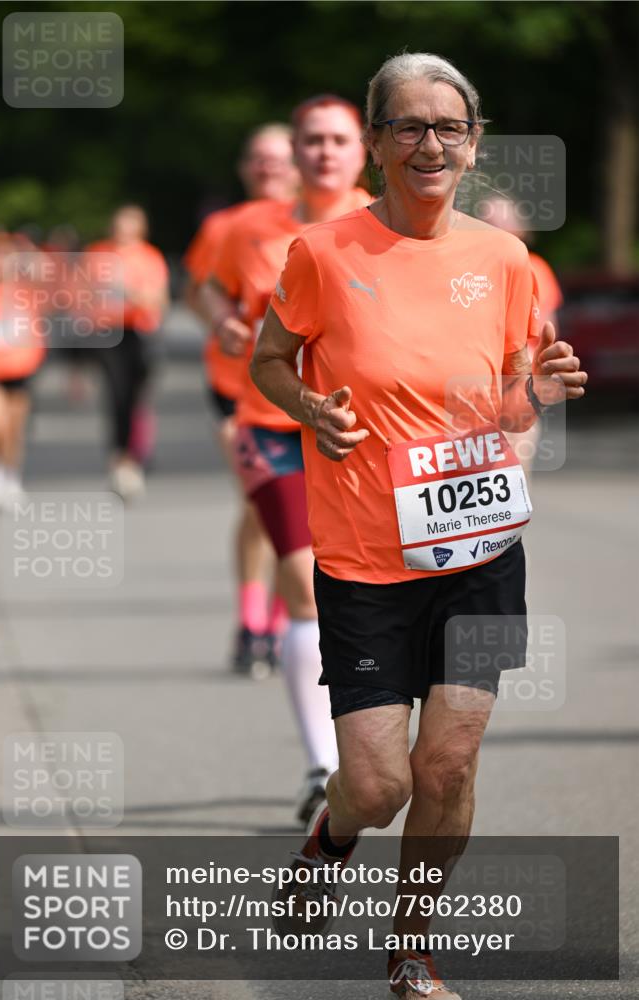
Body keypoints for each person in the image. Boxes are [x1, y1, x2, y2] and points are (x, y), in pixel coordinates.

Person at [250, 54, 587, 997]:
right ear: (377, 143)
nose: (429, 143)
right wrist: (309, 411)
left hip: (479, 550)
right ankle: (331, 836)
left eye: (448, 127)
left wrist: (540, 393)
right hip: (363, 561)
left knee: (447, 763)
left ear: (472, 143)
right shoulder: (323, 252)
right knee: (382, 784)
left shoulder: (504, 258)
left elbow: (512, 406)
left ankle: (410, 946)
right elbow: (269, 360)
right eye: (408, 126)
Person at [207, 95, 371, 825]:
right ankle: (322, 766)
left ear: (362, 148)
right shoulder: (245, 227)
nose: (324, 152)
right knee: (303, 587)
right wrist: (221, 318)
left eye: (338, 139)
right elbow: (205, 289)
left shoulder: (390, 221)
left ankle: (375, 744)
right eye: (312, 140)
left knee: (368, 592)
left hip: (363, 432)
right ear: (295, 153)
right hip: (270, 423)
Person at [184, 124, 299, 677]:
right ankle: (254, 621)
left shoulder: (337, 222)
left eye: (277, 158)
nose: (267, 167)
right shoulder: (225, 227)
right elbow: (201, 291)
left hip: (307, 394)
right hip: (236, 389)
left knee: (301, 516)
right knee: (262, 505)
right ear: (242, 167)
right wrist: (223, 321)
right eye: (257, 158)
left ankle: (283, 620)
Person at [84, 205, 169, 500]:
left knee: (138, 396)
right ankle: (119, 460)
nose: (123, 231)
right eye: (119, 224)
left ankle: (135, 457)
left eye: (130, 225)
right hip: (107, 333)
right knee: (115, 397)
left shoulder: (149, 257)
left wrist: (128, 293)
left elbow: (158, 299)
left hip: (140, 333)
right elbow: (85, 295)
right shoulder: (98, 254)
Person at [482, 195, 564, 474]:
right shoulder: (469, 271)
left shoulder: (536, 268)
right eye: (485, 222)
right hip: (473, 389)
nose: (492, 229)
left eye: (499, 222)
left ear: (518, 228)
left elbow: (547, 336)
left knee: (514, 468)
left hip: (517, 386)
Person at [0, 232, 46, 514]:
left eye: (6, 257)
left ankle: (10, 478)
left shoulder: (26, 291)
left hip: (21, 368)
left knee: (13, 430)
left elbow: (46, 273)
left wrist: (24, 248)